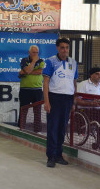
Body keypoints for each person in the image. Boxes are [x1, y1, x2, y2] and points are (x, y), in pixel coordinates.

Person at [43, 38, 78, 168]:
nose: (65, 50)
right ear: (57, 48)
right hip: (54, 98)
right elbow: (45, 82)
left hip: (67, 99)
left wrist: (73, 101)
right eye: (62, 47)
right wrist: (47, 102)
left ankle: (59, 155)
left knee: (62, 129)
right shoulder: (50, 61)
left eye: (67, 47)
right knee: (53, 128)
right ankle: (51, 157)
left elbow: (74, 82)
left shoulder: (73, 63)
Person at [18, 45, 44, 131]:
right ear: (29, 52)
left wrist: (25, 72)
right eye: (33, 52)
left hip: (37, 90)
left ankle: (37, 131)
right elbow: (28, 70)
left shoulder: (41, 61)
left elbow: (39, 72)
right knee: (23, 111)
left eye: (37, 52)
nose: (35, 54)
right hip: (25, 89)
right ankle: (21, 129)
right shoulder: (24, 60)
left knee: (37, 112)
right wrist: (33, 62)